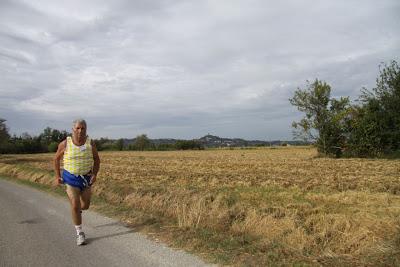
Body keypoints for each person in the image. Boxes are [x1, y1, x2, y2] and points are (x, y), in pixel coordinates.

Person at [54, 119, 100, 246]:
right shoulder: (65, 143)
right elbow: (56, 159)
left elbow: (97, 159)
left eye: (83, 128)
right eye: (78, 128)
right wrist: (58, 176)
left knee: (85, 206)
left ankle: (78, 211)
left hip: (85, 179)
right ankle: (80, 233)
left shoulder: (91, 143)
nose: (80, 131)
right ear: (73, 129)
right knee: (75, 204)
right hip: (70, 178)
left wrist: (95, 174)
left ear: (86, 129)